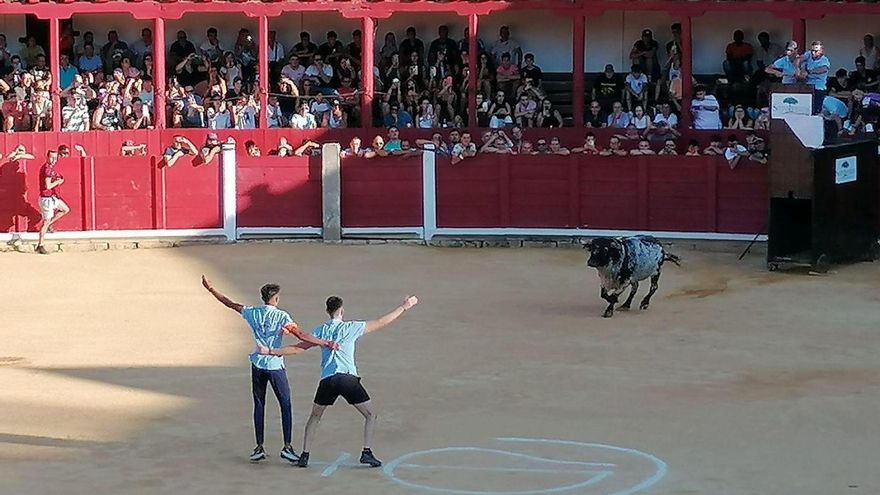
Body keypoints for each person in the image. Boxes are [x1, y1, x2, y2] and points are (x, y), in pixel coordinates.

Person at [260, 294, 420, 468]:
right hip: (347, 379)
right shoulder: (352, 327)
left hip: (327, 380)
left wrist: (270, 351)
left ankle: (305, 455)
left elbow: (298, 349)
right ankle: (366, 452)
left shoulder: (320, 331)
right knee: (370, 414)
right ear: (342, 311)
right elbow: (382, 321)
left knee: (315, 416)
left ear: (328, 312)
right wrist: (404, 306)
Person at [200, 276, 339, 463]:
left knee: (259, 404)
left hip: (257, 364)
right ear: (275, 299)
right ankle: (287, 447)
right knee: (285, 404)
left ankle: (259, 447)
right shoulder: (282, 316)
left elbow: (230, 304)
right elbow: (301, 334)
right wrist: (325, 342)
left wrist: (211, 289)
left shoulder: (252, 312)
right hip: (274, 365)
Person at [35, 150, 69, 255]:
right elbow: (48, 186)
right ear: (47, 157)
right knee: (45, 222)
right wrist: (58, 182)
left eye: (55, 158)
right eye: (52, 157)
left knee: (65, 209)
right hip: (47, 199)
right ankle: (40, 245)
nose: (54, 160)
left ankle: (50, 223)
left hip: (51, 198)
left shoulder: (49, 168)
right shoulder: (47, 170)